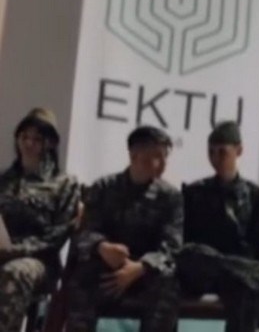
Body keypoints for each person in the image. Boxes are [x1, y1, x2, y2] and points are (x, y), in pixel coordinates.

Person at [177, 121, 259, 331]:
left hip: (238, 278)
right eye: (211, 152)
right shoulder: (195, 193)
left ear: (239, 151)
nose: (215, 158)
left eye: (222, 152)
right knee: (196, 253)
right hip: (203, 271)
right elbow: (185, 239)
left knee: (246, 290)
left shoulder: (256, 196)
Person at [66, 126, 182, 332]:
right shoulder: (104, 187)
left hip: (146, 274)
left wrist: (141, 267)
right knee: (82, 279)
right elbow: (83, 232)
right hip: (107, 270)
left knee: (168, 285)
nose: (163, 164)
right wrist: (101, 246)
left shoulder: (170, 197)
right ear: (134, 155)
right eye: (156, 156)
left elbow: (172, 246)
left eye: (164, 157)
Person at [0, 108, 79, 331]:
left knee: (15, 272)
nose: (28, 143)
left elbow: (58, 235)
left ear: (50, 143)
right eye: (24, 137)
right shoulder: (4, 180)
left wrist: (15, 251)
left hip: (39, 261)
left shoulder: (64, 183)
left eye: (36, 139)